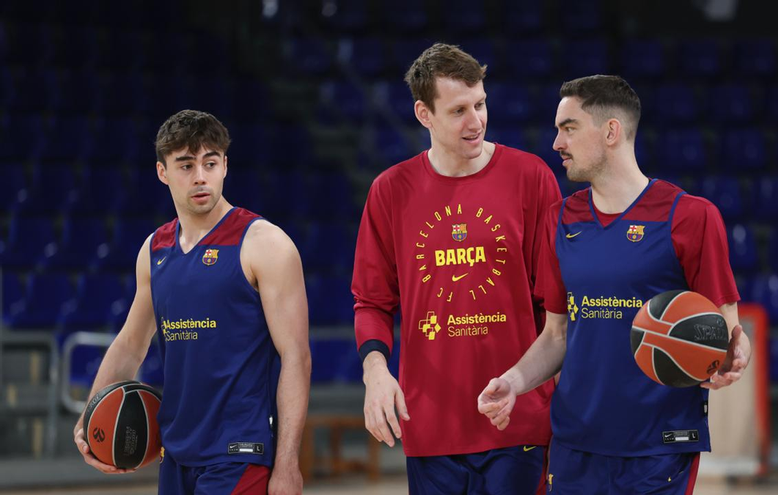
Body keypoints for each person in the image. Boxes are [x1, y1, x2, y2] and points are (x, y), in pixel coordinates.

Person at [478, 75, 752, 494]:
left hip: (657, 448)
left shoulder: (691, 218)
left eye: (568, 128)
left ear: (611, 132)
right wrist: (512, 383)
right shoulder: (559, 220)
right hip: (575, 443)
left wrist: (731, 355)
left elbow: (723, 331)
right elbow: (557, 334)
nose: (556, 142)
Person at [351, 43, 560, 494]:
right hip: (430, 427)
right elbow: (371, 301)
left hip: (518, 421)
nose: (477, 121)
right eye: (459, 110)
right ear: (424, 115)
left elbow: (556, 304)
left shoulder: (531, 177)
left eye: (481, 104)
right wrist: (375, 372)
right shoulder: (391, 191)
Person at [73, 110, 310, 495]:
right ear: (162, 172)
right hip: (175, 454)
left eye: (210, 163)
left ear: (225, 166)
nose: (200, 176)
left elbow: (296, 357)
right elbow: (132, 343)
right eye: (185, 165)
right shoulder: (155, 249)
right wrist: (90, 417)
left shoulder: (265, 244)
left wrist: (287, 463)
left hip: (240, 452)